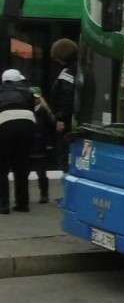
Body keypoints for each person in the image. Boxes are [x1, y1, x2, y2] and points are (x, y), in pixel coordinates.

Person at [0, 69, 37, 214]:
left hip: (5, 124)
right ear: (17, 81)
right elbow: (32, 110)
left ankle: (3, 205)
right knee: (21, 165)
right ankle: (22, 203)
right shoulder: (27, 92)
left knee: (2, 167)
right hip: (27, 124)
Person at [49, 38, 77, 170]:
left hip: (65, 124)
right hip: (69, 120)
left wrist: (60, 118)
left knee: (64, 156)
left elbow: (67, 96)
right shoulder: (76, 68)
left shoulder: (68, 73)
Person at [29, 86, 55, 204]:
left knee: (42, 173)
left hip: (40, 146)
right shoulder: (27, 110)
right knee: (23, 173)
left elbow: (50, 129)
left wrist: (49, 144)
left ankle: (44, 194)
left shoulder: (44, 112)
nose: (33, 100)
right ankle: (22, 195)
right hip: (28, 146)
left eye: (35, 98)